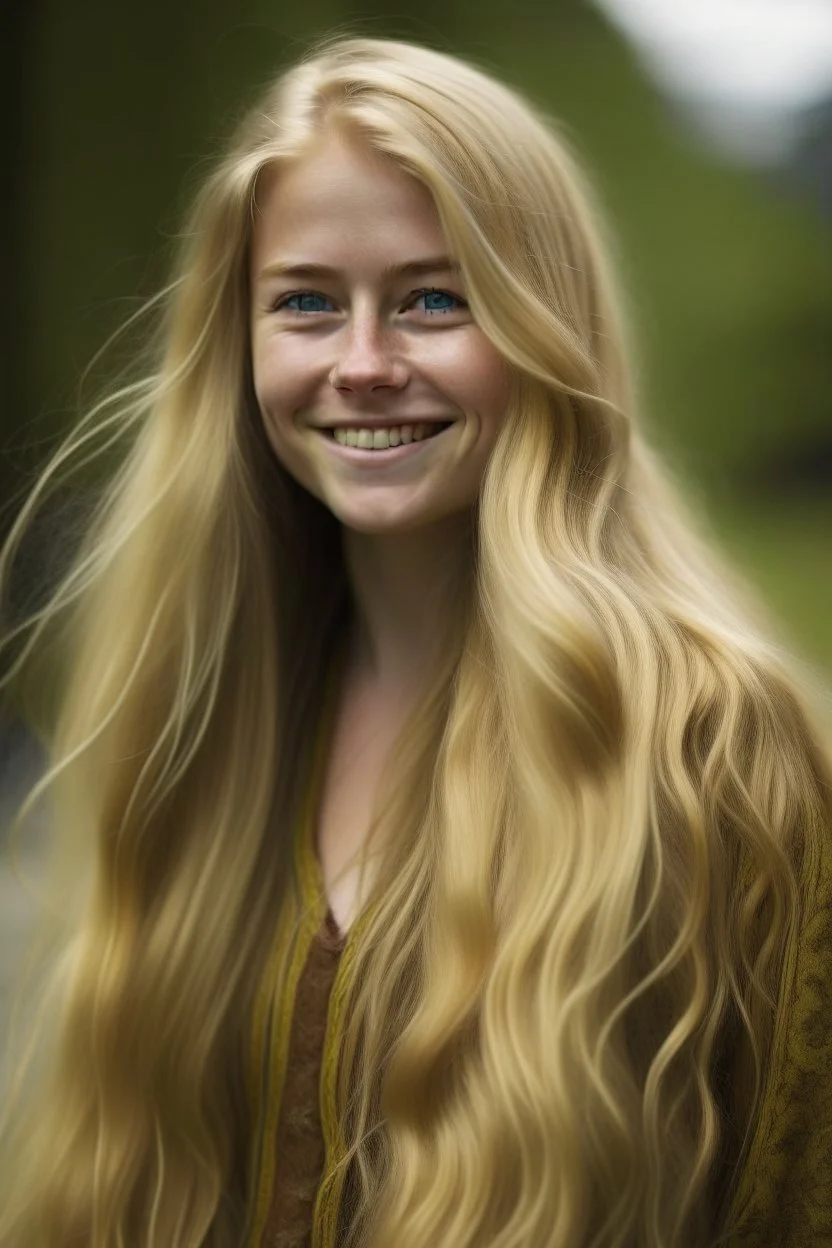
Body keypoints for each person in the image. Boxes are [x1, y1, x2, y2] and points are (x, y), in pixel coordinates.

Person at [0, 31, 830, 1248]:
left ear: (547, 326)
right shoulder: (195, 716)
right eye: (306, 304)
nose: (365, 364)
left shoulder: (723, 750)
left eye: (434, 298)